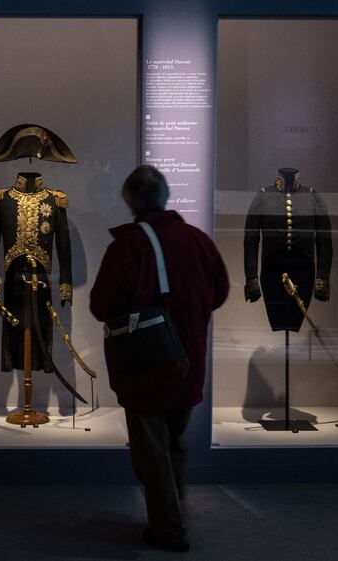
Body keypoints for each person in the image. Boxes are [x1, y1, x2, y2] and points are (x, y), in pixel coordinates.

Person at [90, 165, 229, 552]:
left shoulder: (127, 246)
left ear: (131, 201)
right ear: (165, 197)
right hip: (188, 360)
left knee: (152, 450)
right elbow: (220, 291)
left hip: (144, 364)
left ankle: (169, 529)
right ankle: (174, 515)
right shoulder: (198, 240)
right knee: (173, 442)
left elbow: (102, 306)